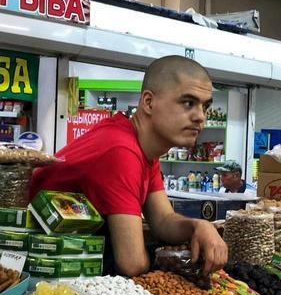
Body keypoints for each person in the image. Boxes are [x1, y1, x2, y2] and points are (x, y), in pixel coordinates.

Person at [30, 55, 228, 276]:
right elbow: (132, 263)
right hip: (38, 266)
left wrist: (198, 226)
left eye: (205, 106)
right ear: (148, 102)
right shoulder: (121, 150)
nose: (200, 116)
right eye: (188, 103)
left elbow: (163, 220)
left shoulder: (144, 148)